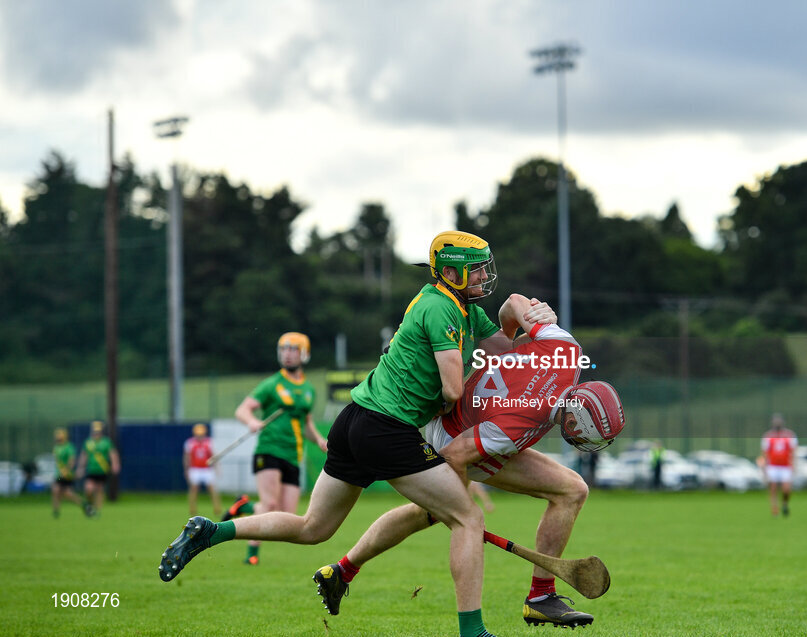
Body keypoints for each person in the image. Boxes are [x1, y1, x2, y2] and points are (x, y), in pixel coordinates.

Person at [160, 231, 555, 637]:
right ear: (450, 272)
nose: (482, 278)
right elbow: (454, 389)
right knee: (468, 517)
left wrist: (528, 314)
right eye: (475, 271)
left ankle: (213, 531)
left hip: (353, 421)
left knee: (313, 527)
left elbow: (502, 346)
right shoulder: (443, 310)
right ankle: (473, 632)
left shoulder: (460, 308)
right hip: (386, 428)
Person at [313, 305, 625, 629]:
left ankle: (341, 571)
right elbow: (456, 454)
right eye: (594, 436)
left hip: (476, 417)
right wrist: (457, 508)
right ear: (575, 420)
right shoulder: (514, 425)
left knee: (429, 513)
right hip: (451, 434)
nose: (593, 444)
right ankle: (540, 597)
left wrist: (508, 334)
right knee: (452, 514)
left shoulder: (566, 349)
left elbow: (514, 302)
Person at [224, 331, 328, 565]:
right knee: (270, 504)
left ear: (304, 354)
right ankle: (252, 554)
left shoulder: (309, 390)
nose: (288, 355)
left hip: (294, 454)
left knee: (285, 514)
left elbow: (307, 423)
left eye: (293, 350)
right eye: (284, 350)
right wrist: (251, 421)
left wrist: (319, 440)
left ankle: (245, 505)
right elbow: (243, 409)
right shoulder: (271, 384)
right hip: (269, 449)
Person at [76, 421, 120, 516]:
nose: (96, 434)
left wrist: (115, 465)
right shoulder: (88, 442)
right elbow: (84, 456)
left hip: (102, 469)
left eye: (98, 432)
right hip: (91, 469)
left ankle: (97, 510)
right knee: (89, 489)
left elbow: (113, 454)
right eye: (95, 432)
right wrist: (80, 468)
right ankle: (91, 505)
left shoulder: (106, 442)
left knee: (100, 489)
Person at [757, 413, 797, 517]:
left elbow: (793, 452)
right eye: (775, 421)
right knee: (773, 488)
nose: (777, 423)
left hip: (785, 466)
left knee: (786, 489)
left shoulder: (789, 435)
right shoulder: (768, 436)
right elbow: (764, 453)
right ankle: (774, 508)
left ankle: (784, 504)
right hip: (773, 466)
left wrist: (794, 464)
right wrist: (764, 467)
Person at [51, 428, 93, 518]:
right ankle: (56, 511)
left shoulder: (69, 447)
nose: (59, 439)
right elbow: (57, 461)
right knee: (57, 490)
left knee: (63, 492)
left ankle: (83, 504)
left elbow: (72, 460)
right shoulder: (56, 448)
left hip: (67, 474)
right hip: (59, 474)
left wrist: (66, 470)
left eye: (60, 437)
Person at [184, 423, 221, 518]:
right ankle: (192, 509)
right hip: (195, 469)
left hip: (207, 469)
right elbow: (187, 457)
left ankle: (217, 508)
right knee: (194, 489)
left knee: (212, 489)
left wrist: (217, 467)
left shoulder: (209, 442)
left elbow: (213, 455)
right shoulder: (190, 443)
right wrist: (186, 470)